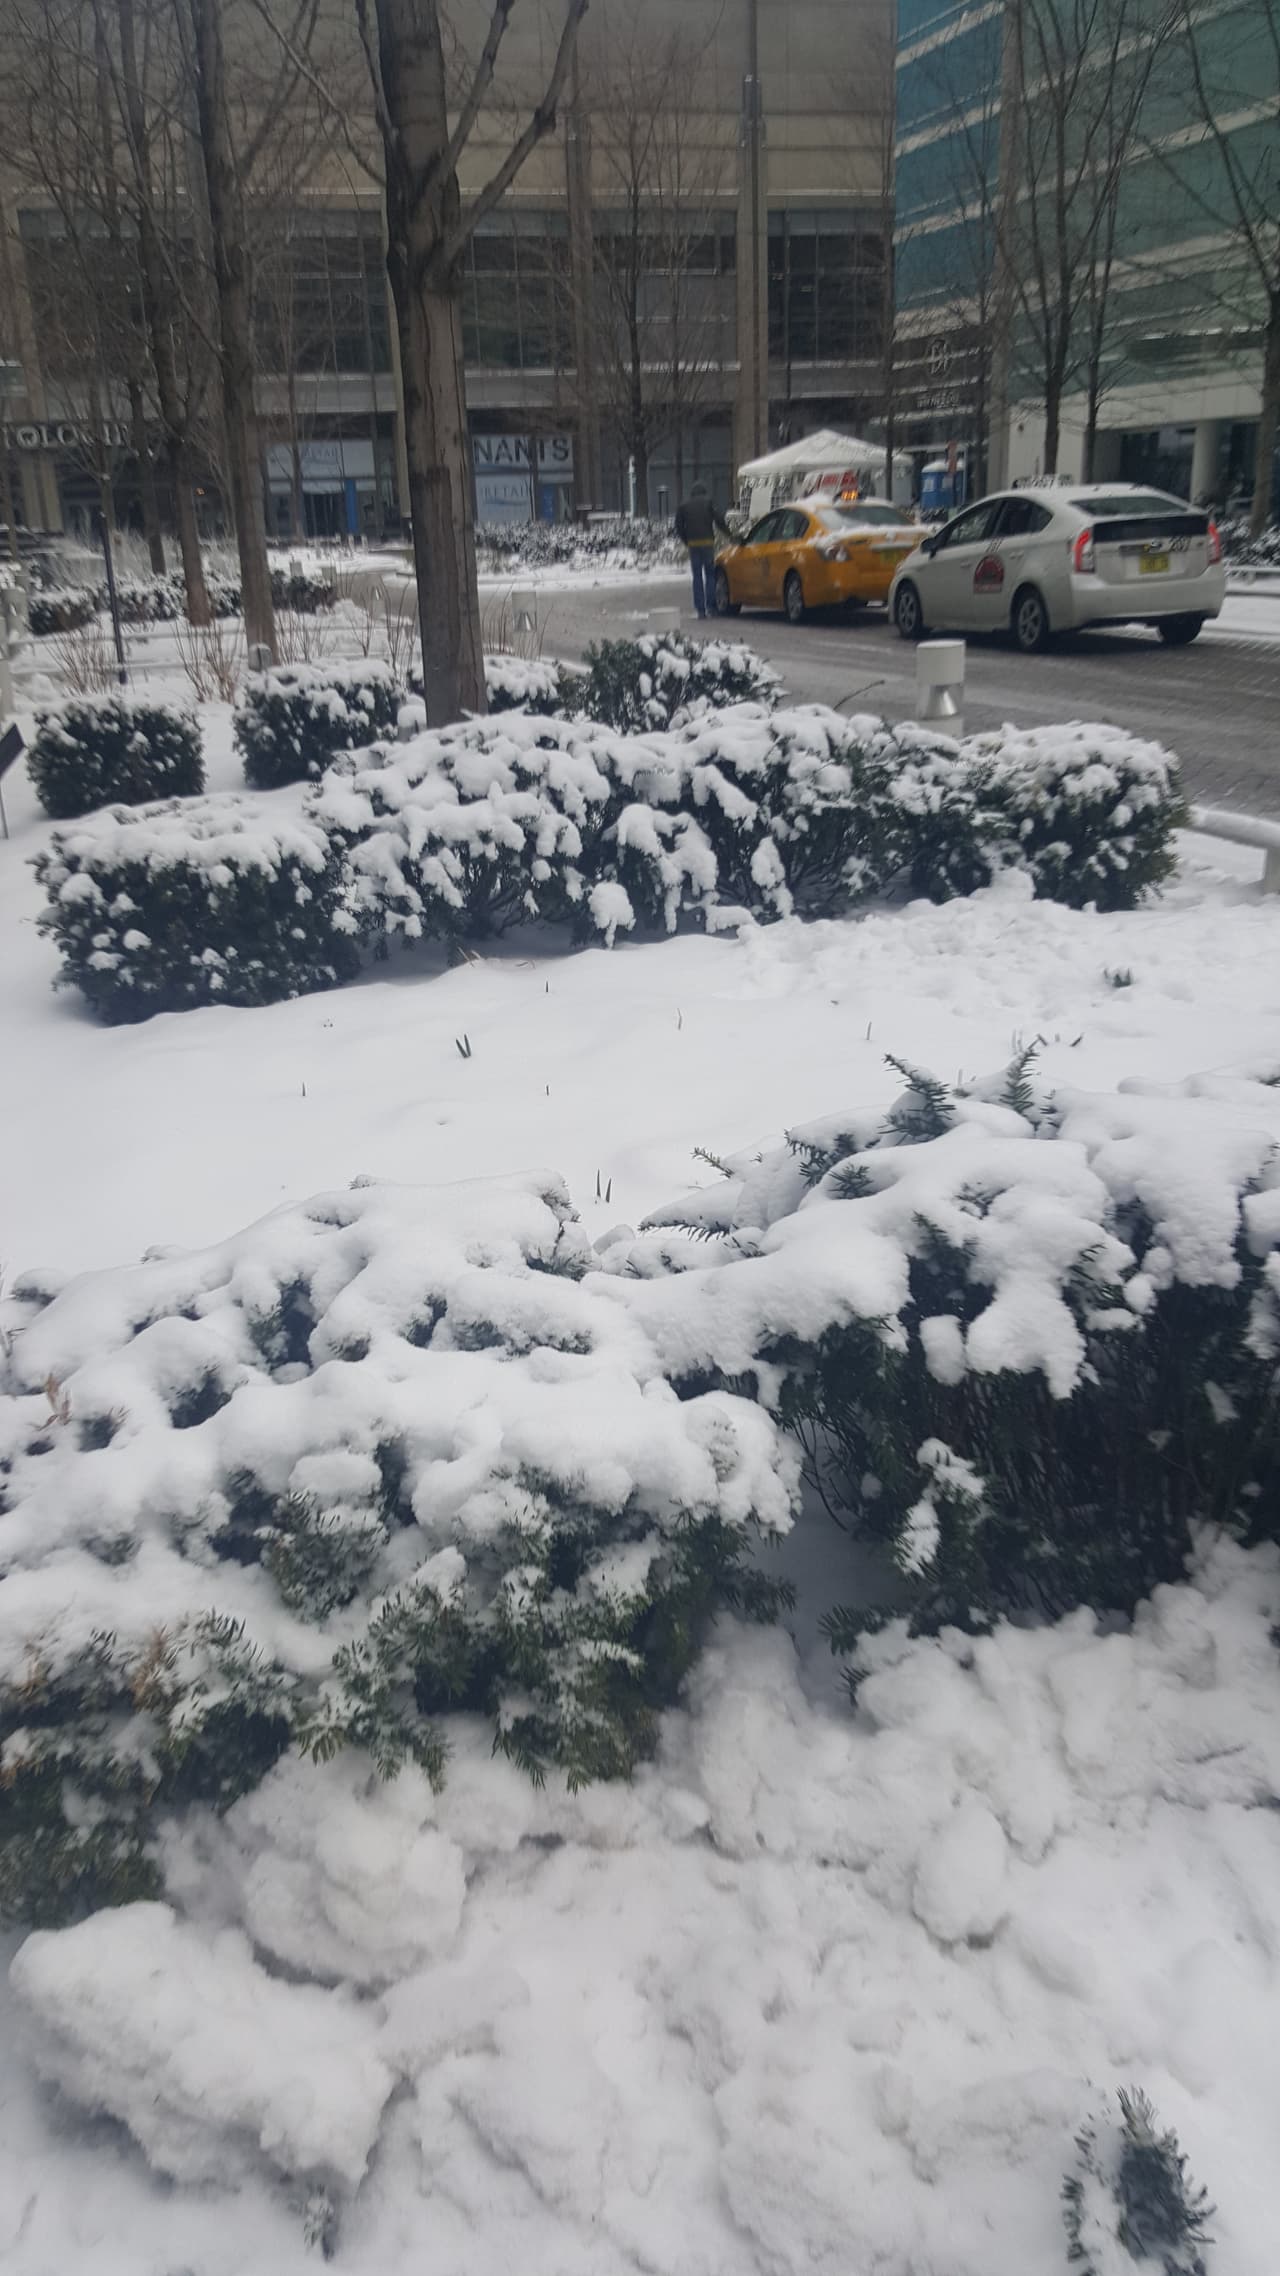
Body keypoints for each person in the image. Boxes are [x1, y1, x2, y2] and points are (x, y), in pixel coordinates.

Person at [674, 481, 731, 620]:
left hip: (693, 544)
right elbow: (719, 520)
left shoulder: (684, 506)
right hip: (707, 543)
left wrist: (686, 540)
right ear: (704, 492)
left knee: (697, 576)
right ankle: (711, 607)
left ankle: (700, 610)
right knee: (710, 575)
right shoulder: (709, 502)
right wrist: (729, 534)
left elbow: (678, 526)